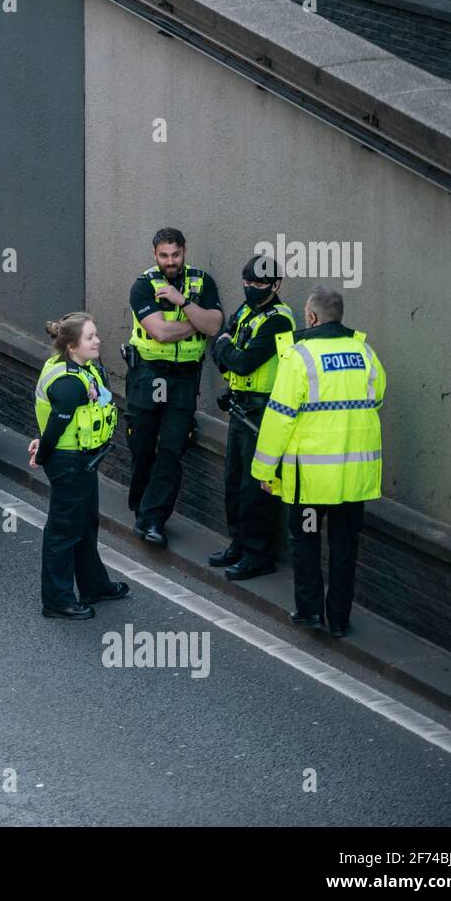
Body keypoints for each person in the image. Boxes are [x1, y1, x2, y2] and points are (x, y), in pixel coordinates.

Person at [251, 285, 386, 638]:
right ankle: (339, 619)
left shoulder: (300, 357)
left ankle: (310, 612)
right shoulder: (365, 353)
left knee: (306, 540)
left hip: (310, 478)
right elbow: (377, 399)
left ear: (311, 318)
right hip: (352, 478)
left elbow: (279, 417)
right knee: (344, 547)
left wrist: (264, 470)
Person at [124, 227, 224, 546]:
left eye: (176, 254)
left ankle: (153, 520)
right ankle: (141, 507)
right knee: (142, 446)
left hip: (183, 379)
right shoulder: (143, 286)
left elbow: (215, 325)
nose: (171, 261)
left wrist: (182, 302)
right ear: (155, 255)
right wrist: (197, 318)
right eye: (164, 256)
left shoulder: (201, 282)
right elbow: (161, 333)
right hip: (148, 375)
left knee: (171, 449)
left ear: (184, 251)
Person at [28, 313, 130, 619]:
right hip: (69, 464)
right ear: (72, 347)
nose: (97, 340)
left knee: (85, 525)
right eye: (90, 337)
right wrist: (42, 455)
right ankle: (57, 600)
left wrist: (43, 443)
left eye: (95, 335)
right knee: (63, 532)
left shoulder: (81, 368)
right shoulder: (70, 383)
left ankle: (94, 586)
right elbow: (57, 427)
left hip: (83, 461)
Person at [208, 254, 296, 580]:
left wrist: (226, 348)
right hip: (239, 405)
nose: (251, 289)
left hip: (263, 412)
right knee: (232, 478)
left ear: (276, 285)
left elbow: (243, 363)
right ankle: (238, 543)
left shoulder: (279, 320)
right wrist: (227, 350)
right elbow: (221, 352)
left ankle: (258, 554)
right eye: (247, 283)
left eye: (259, 284)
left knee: (255, 485)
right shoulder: (247, 310)